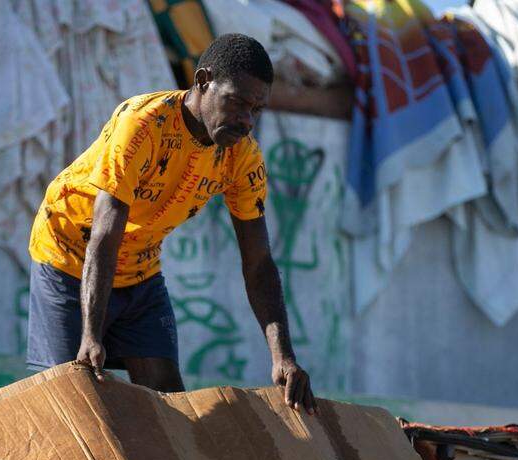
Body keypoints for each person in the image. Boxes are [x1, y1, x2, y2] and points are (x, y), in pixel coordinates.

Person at [25, 33, 316, 413]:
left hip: (141, 270)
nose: (246, 121)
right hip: (70, 258)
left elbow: (259, 262)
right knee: (69, 400)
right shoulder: (142, 123)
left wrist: (283, 356)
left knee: (170, 404)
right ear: (202, 81)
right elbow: (105, 233)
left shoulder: (243, 159)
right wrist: (91, 334)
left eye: (256, 110)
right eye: (236, 103)